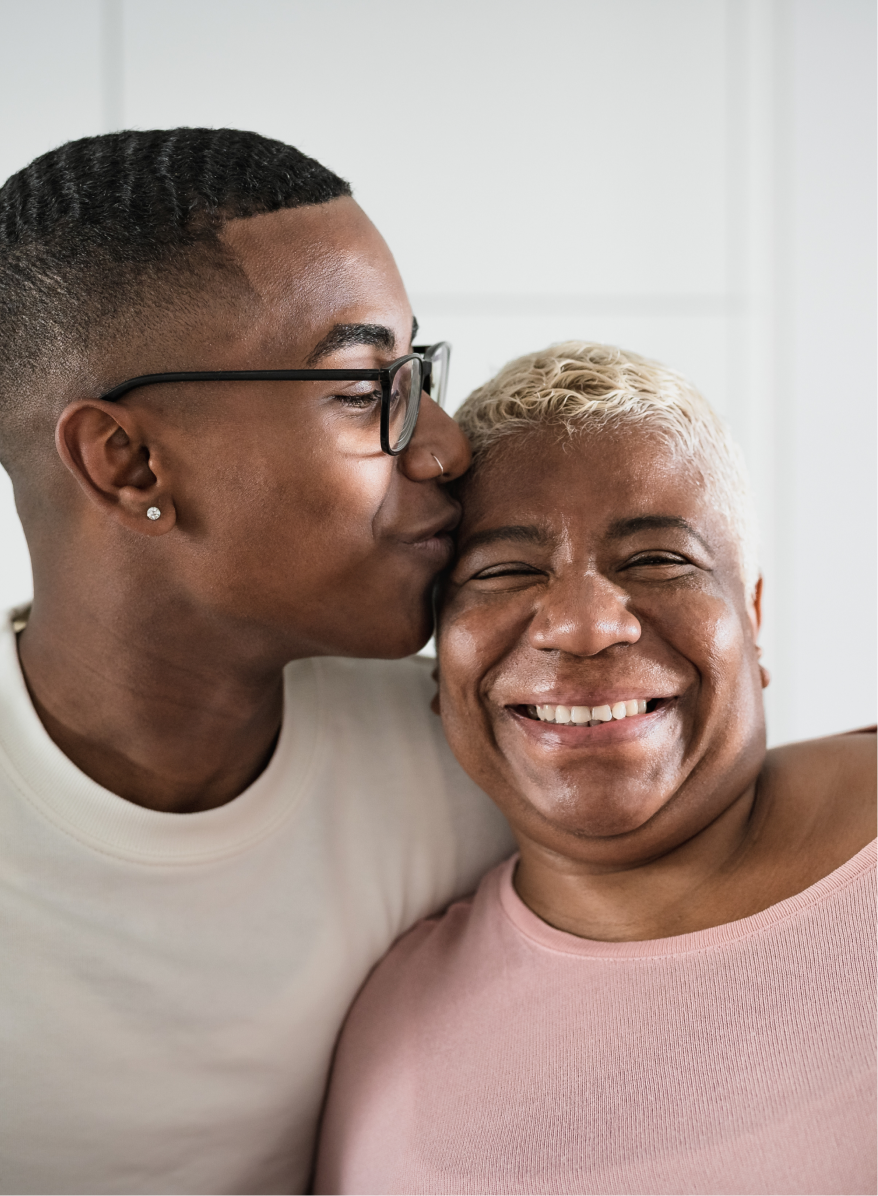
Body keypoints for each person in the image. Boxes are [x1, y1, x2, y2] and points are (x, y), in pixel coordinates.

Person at [0, 128, 512, 1195]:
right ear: (129, 460)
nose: (446, 443)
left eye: (417, 370)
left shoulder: (468, 750)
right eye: (364, 385)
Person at [315, 342, 878, 1194]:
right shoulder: (386, 1023)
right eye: (503, 572)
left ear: (752, 617)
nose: (582, 626)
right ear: (440, 671)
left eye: (658, 560)